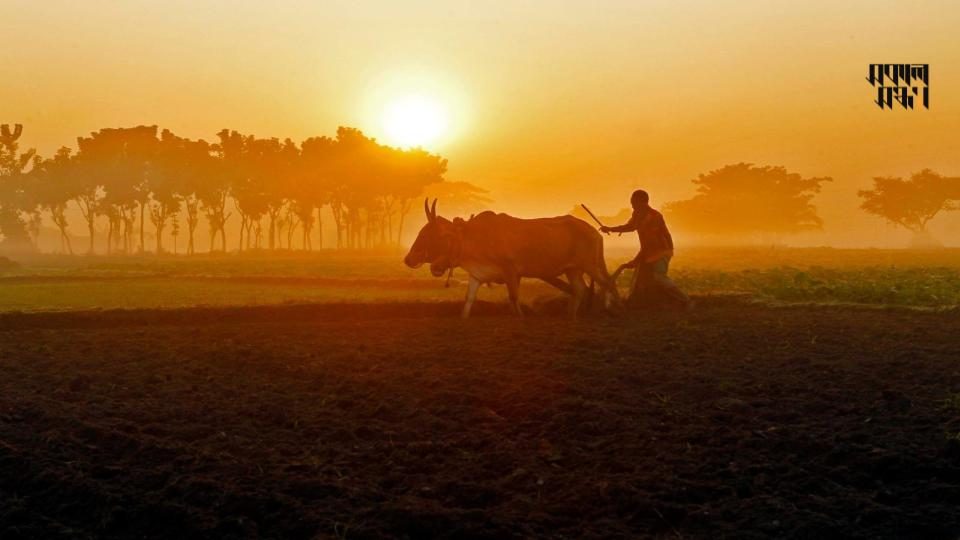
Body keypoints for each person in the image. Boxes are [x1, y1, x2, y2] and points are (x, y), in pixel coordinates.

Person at [600, 189, 691, 310]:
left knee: (659, 277)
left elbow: (650, 242)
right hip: (648, 252)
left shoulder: (653, 217)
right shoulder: (637, 214)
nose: (632, 205)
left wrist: (636, 259)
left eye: (634, 203)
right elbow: (630, 226)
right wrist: (610, 229)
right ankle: (641, 305)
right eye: (631, 203)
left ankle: (685, 300)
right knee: (640, 280)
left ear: (643, 202)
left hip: (661, 251)